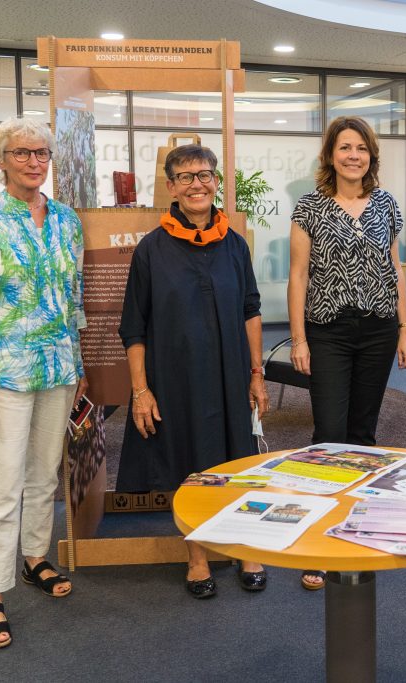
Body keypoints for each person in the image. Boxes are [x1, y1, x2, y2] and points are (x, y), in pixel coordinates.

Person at [0, 116, 88, 649]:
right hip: (4, 370)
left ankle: (35, 558)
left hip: (57, 367)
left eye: (41, 153)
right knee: (3, 482)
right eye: (22, 153)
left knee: (44, 475)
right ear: (1, 159)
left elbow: (73, 303)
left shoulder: (66, 220)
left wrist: (77, 365)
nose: (34, 161)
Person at [116, 144, 269, 599]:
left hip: (229, 376)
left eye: (204, 175)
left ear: (217, 181)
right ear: (171, 188)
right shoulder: (151, 249)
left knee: (237, 463)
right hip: (175, 379)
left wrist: (257, 373)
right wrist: (141, 391)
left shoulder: (235, 244)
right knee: (186, 468)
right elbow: (133, 327)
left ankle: (244, 548)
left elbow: (251, 310)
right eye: (185, 177)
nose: (197, 184)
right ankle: (197, 556)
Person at [288, 116, 406, 589]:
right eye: (345, 147)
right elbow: (298, 276)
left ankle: (358, 528)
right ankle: (319, 541)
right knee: (328, 433)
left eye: (361, 148)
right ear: (331, 155)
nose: (353, 155)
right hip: (329, 332)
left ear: (371, 155)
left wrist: (405, 330)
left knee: (364, 432)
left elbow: (395, 270)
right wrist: (299, 340)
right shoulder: (310, 207)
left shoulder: (386, 205)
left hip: (380, 329)